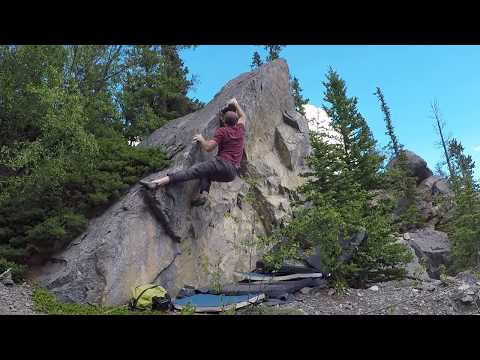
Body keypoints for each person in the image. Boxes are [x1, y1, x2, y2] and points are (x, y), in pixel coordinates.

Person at [140, 98, 247, 206]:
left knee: (192, 172)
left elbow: (209, 148)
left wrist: (201, 139)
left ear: (224, 121)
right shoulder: (240, 130)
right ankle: (204, 194)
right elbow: (243, 116)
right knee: (206, 173)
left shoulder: (222, 131)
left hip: (222, 163)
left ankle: (157, 183)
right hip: (232, 173)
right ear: (236, 121)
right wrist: (236, 104)